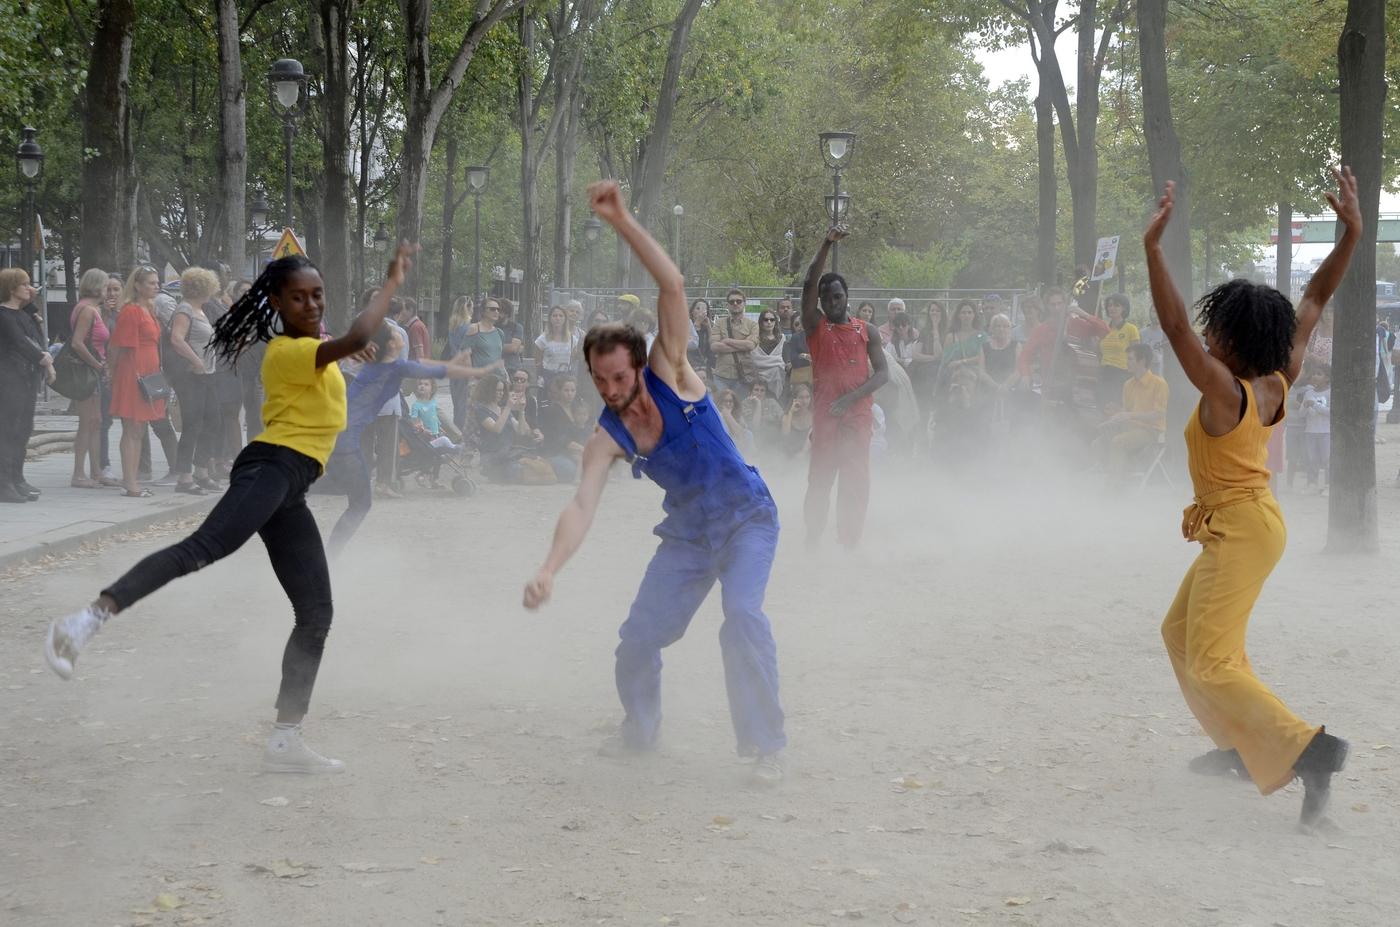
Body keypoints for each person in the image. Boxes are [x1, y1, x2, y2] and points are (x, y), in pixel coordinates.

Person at [44, 243, 416, 774]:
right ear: (276, 305)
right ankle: (82, 622)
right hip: (270, 467)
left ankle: (286, 740)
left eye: (317, 296)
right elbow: (357, 338)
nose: (310, 305)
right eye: (297, 298)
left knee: (316, 613)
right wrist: (391, 284)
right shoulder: (287, 350)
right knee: (204, 547)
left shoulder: (316, 345)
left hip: (292, 485)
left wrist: (343, 344)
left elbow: (349, 344)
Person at [523, 180, 787, 785]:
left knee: (743, 616)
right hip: (690, 536)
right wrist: (549, 567)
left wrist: (621, 219)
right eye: (600, 380)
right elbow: (581, 505)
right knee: (637, 640)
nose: (612, 390)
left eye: (618, 376)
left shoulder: (670, 367)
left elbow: (671, 285)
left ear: (638, 364)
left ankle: (765, 747)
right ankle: (639, 730)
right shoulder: (607, 436)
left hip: (746, 518)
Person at [1146, 169, 1358, 829]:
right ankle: (1241, 746)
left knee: (1209, 657)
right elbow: (1317, 295)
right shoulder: (1276, 377)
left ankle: (1310, 750)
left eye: (1219, 333)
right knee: (1180, 636)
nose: (1208, 337)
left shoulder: (1226, 391)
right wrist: (1350, 231)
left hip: (1243, 528)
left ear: (1234, 343)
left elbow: (1175, 327)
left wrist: (1153, 251)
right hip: (1252, 526)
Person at [325, 326, 491, 556]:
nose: (400, 335)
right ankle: (328, 556)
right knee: (358, 503)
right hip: (347, 438)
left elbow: (428, 367)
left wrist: (457, 362)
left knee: (358, 503)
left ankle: (329, 555)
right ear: (391, 345)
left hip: (345, 434)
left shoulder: (384, 365)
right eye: (395, 335)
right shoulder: (392, 366)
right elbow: (432, 371)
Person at [799, 227, 888, 549]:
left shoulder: (868, 331)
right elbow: (809, 282)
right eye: (826, 297)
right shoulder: (815, 326)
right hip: (826, 417)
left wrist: (851, 397)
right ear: (820, 301)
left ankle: (849, 544)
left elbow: (882, 374)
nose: (832, 302)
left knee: (855, 484)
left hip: (857, 416)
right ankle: (812, 538)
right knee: (820, 481)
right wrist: (825, 243)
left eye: (838, 296)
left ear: (846, 297)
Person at [109, 266, 173, 497]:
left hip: (148, 370)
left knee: (138, 428)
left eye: (157, 283)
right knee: (132, 428)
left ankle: (132, 479)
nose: (156, 286)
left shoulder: (150, 308)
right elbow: (117, 347)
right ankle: (130, 482)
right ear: (137, 285)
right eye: (151, 283)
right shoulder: (132, 311)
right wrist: (113, 373)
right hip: (134, 372)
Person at [168, 267, 225, 495]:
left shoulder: (199, 310)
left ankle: (201, 470)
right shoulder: (185, 310)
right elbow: (176, 339)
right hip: (190, 376)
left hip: (207, 375)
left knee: (213, 420)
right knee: (192, 424)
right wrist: (196, 360)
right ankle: (184, 477)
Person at [0, 269, 54, 502]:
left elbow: (38, 339)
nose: (29, 288)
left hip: (27, 379)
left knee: (23, 430)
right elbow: (21, 343)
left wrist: (32, 307)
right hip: (9, 379)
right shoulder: (3, 315)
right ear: (12, 288)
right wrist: (44, 359)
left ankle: (17, 478)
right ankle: (4, 483)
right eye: (24, 284)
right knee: (7, 431)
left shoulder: (23, 314)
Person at [1097, 343, 1168, 481]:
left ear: (1141, 361)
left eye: (1130, 359)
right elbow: (1127, 412)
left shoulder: (1159, 384)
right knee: (1099, 441)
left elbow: (1159, 414)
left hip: (1151, 431)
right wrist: (1116, 412)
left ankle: (1115, 487)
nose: (1126, 362)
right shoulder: (1128, 384)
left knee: (1118, 442)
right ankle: (1120, 475)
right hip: (1130, 428)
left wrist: (1129, 415)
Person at [68, 268, 111, 489]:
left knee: (96, 422)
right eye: (105, 286)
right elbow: (77, 342)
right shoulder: (87, 310)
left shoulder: (93, 308)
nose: (108, 291)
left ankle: (95, 471)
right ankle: (79, 474)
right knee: (88, 422)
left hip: (94, 373)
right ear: (96, 286)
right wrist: (96, 364)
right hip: (88, 374)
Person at [538, 375, 590, 482]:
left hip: (576, 451)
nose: (570, 394)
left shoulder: (577, 408)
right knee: (572, 470)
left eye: (572, 390)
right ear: (559, 391)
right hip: (556, 452)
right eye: (566, 390)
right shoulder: (552, 411)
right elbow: (560, 440)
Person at [1094, 293, 1140, 411]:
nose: (1112, 308)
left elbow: (1136, 355)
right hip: (1104, 374)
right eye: (1109, 305)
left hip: (1121, 374)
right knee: (1102, 407)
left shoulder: (1131, 329)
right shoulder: (1103, 329)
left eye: (1116, 305)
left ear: (1124, 308)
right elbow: (1099, 353)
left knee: (1116, 409)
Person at [710, 288, 758, 395]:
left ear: (744, 304)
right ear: (727, 305)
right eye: (732, 301)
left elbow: (750, 345)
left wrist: (726, 340)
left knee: (741, 409)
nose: (735, 303)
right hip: (721, 376)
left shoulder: (752, 325)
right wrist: (742, 344)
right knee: (721, 408)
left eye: (739, 301)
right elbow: (714, 347)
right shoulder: (719, 323)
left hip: (743, 377)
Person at [1298, 364, 1331, 493]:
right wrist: (1305, 406)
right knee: (1311, 459)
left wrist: (1315, 405)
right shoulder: (1308, 393)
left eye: (1319, 374)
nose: (1315, 376)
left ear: (1327, 378)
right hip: (1310, 431)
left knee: (1327, 459)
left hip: (1326, 432)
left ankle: (1328, 485)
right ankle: (1312, 483)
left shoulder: (1330, 392)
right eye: (1314, 374)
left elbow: (1331, 412)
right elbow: (1301, 414)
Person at [534, 304, 578, 386]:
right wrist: (540, 378)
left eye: (561, 316)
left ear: (565, 319)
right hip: (548, 377)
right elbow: (538, 362)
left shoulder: (573, 339)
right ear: (550, 318)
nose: (558, 318)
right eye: (554, 316)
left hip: (565, 378)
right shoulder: (542, 339)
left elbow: (572, 359)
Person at [750, 308, 787, 399]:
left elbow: (782, 360)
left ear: (775, 321)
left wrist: (776, 362)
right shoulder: (755, 338)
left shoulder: (781, 338)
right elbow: (755, 359)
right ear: (761, 322)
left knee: (776, 371)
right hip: (759, 377)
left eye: (772, 319)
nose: (769, 322)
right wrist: (776, 361)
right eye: (766, 320)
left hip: (778, 378)